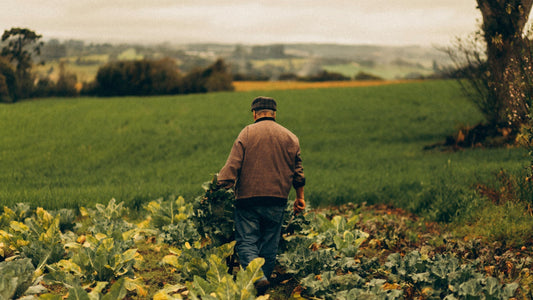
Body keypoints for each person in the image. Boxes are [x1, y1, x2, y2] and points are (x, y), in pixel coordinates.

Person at [217, 96, 306, 294]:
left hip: (247, 199)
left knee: (247, 241)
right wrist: (300, 197)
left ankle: (257, 278)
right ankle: (261, 286)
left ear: (255, 113)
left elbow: (233, 165)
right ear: (274, 113)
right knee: (269, 242)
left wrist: (220, 186)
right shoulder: (290, 137)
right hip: (277, 199)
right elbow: (298, 173)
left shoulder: (247, 133)